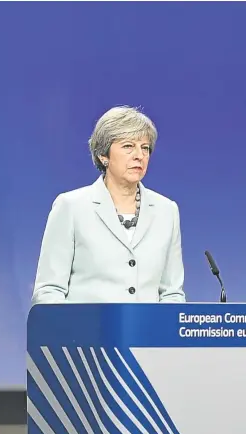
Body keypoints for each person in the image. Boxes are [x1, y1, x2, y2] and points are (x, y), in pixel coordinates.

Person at [32, 105, 186, 305]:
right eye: (128, 146)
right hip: (86, 334)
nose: (139, 155)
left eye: (145, 148)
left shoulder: (167, 211)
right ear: (103, 155)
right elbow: (49, 292)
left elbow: (172, 294)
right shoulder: (71, 207)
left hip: (148, 334)